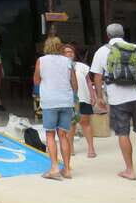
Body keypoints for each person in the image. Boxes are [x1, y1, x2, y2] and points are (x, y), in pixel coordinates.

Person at [91, 23, 136, 181]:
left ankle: (129, 170)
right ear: (123, 34)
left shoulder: (102, 51)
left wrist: (100, 97)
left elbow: (97, 77)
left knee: (122, 132)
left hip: (117, 98)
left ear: (107, 35)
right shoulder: (135, 48)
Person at [34, 35, 77, 180]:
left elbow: (36, 80)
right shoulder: (67, 61)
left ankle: (54, 169)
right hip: (66, 100)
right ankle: (67, 169)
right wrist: (74, 97)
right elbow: (74, 82)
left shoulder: (41, 61)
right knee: (63, 135)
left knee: (50, 135)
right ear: (59, 47)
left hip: (50, 102)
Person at [65, 44, 97, 158]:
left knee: (85, 123)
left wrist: (93, 95)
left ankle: (91, 148)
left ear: (74, 54)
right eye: (66, 52)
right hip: (69, 100)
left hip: (83, 97)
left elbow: (89, 82)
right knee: (71, 124)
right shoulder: (61, 67)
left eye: (71, 52)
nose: (69, 54)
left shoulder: (82, 66)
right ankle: (71, 147)